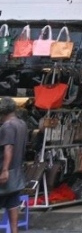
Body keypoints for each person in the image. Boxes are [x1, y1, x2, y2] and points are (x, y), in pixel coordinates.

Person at [0, 99, 28, 233]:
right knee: (13, 204)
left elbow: (8, 148)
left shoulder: (8, 126)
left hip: (6, 172)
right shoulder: (21, 124)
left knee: (11, 202)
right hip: (17, 171)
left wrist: (4, 170)